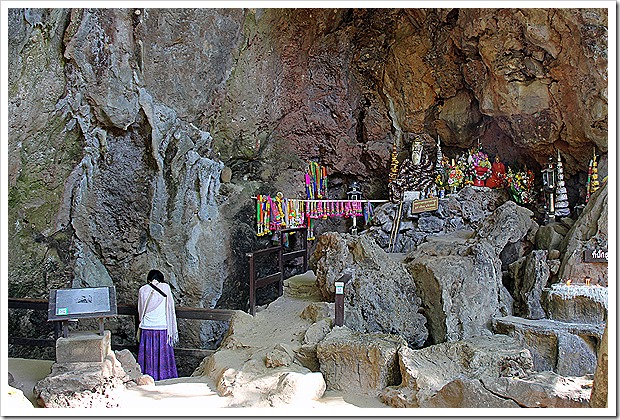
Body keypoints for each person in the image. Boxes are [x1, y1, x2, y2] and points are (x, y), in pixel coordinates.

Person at [137, 269, 178, 380]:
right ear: (161, 279)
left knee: (148, 354)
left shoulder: (142, 290)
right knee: (162, 354)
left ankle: (147, 377)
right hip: (162, 327)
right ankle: (165, 376)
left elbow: (140, 311)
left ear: (149, 279)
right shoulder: (166, 288)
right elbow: (170, 307)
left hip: (147, 328)